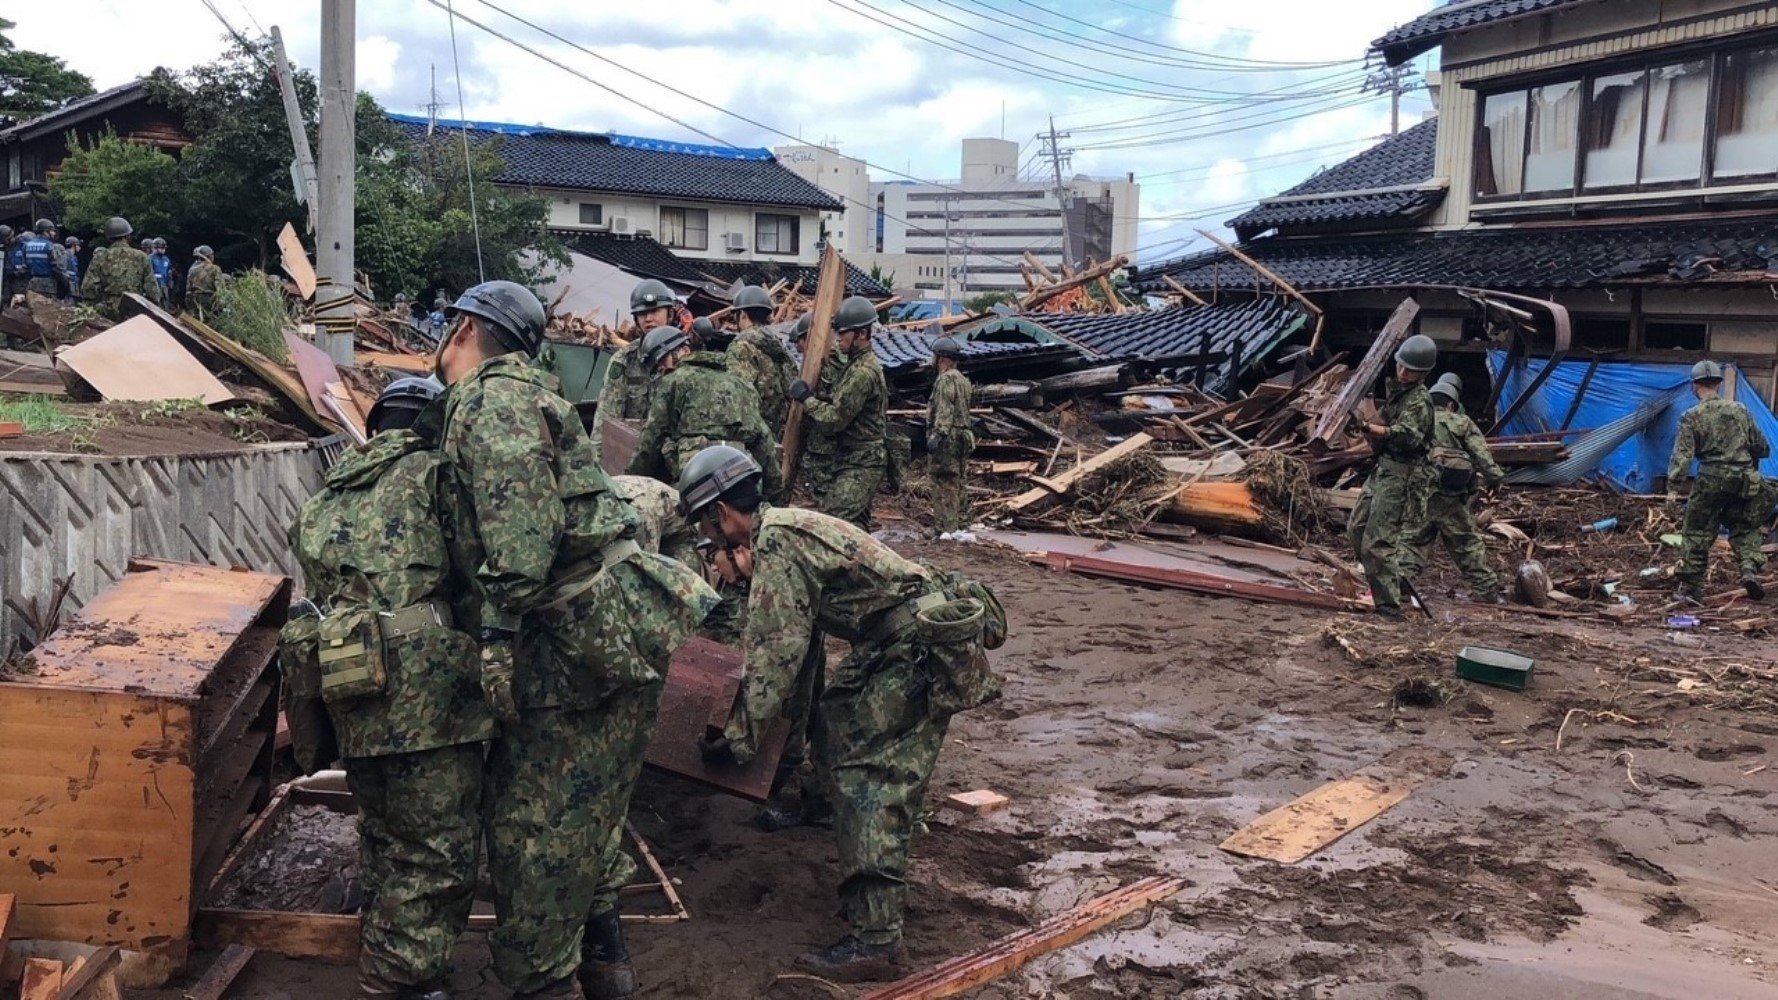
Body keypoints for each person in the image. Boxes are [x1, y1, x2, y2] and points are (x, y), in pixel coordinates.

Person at [433, 280, 716, 999]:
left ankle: (546, 980)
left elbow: (521, 552)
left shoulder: (491, 401)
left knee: (536, 837)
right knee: (583, 814)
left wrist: (493, 647)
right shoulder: (531, 393)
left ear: (465, 327)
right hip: (605, 635)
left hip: (570, 649)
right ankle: (604, 965)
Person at [682, 445, 1002, 982]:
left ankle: (876, 940)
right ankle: (821, 807)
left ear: (724, 514)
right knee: (836, 717)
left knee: (870, 781)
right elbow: (803, 665)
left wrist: (737, 741)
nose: (711, 543)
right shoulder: (780, 534)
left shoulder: (777, 544)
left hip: (914, 648)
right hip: (891, 640)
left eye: (706, 528)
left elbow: (773, 660)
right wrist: (783, 740)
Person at [284, 376, 492, 1000]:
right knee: (438, 848)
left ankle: (385, 937)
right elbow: (481, 577)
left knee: (383, 825)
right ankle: (399, 978)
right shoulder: (438, 478)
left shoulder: (325, 498)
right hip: (429, 695)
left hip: (351, 682)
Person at [626, 324, 783, 500]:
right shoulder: (741, 384)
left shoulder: (674, 382)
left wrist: (631, 480)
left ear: (684, 350)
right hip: (742, 479)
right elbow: (763, 440)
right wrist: (775, 494)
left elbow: (652, 437)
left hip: (697, 484)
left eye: (662, 361)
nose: (661, 369)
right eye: (657, 367)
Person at [1668, 359, 1771, 605]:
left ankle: (1692, 589)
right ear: (1719, 383)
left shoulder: (1691, 417)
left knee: (1697, 532)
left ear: (1695, 386)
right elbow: (1762, 448)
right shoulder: (1740, 410)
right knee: (1744, 527)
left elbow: (1682, 457)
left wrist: (1672, 489)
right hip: (1744, 480)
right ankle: (1748, 569)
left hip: (1711, 479)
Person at [1349, 334, 1437, 619]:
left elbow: (1410, 437)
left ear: (1423, 373)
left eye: (1410, 369)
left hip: (1401, 476)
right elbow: (1382, 418)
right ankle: (1389, 582)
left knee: (1378, 543)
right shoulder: (1399, 394)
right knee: (1356, 529)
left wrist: (1378, 432)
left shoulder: (1420, 402)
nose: (1403, 372)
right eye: (1401, 366)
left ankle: (1388, 607)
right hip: (1383, 470)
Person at [1401, 373, 1506, 603]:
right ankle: (1486, 590)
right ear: (1451, 404)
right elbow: (1482, 455)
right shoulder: (1461, 422)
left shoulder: (1417, 419)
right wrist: (1496, 479)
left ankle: (1400, 584)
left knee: (1412, 541)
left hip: (1420, 493)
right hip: (1450, 495)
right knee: (1466, 542)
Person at [794, 296, 888, 529]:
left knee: (833, 524)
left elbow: (834, 419)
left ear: (862, 335)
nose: (839, 339)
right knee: (856, 527)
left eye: (844, 334)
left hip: (861, 462)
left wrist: (806, 399)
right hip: (853, 459)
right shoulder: (855, 365)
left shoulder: (862, 372)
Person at [592, 279, 678, 461]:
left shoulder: (685, 357)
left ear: (669, 314)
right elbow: (606, 420)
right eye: (642, 314)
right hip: (635, 456)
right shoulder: (624, 360)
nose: (648, 319)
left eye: (655, 311)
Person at [727, 285, 798, 434]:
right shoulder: (779, 345)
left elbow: (739, 394)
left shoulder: (741, 346)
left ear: (743, 314)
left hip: (757, 432)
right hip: (781, 431)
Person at [925, 337, 975, 535]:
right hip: (963, 435)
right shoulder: (963, 380)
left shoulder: (945, 379)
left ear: (941, 358)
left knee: (942, 481)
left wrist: (938, 434)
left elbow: (945, 408)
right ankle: (960, 523)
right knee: (958, 480)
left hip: (948, 437)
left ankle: (944, 527)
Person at [80, 217, 161, 318]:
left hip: (107, 311)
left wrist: (92, 309)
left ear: (108, 237)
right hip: (134, 310)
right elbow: (153, 292)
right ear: (128, 236)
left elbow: (88, 289)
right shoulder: (141, 257)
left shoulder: (100, 257)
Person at [19, 219, 70, 300]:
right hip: (48, 286)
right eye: (52, 231)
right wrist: (65, 284)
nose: (54, 233)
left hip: (32, 285)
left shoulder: (26, 246)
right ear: (45, 231)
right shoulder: (51, 246)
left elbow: (25, 268)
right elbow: (58, 270)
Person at [187, 245, 221, 321]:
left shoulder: (192, 269)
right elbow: (220, 289)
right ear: (209, 256)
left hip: (192, 299)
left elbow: (188, 287)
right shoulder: (215, 268)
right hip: (208, 300)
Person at [63, 236, 82, 301]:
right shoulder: (67, 255)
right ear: (74, 245)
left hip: (73, 283)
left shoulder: (73, 256)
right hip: (69, 285)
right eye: (78, 245)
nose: (79, 247)